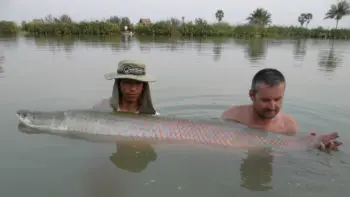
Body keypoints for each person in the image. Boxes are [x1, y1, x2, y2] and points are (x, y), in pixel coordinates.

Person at [221, 68, 342, 151]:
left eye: (278, 99)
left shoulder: (288, 125)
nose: (272, 106)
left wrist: (314, 146)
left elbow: (290, 149)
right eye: (265, 100)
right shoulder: (232, 116)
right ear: (252, 96)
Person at [93, 59, 158, 115]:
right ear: (118, 83)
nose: (133, 89)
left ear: (144, 86)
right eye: (127, 82)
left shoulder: (152, 115)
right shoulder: (102, 108)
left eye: (138, 83)